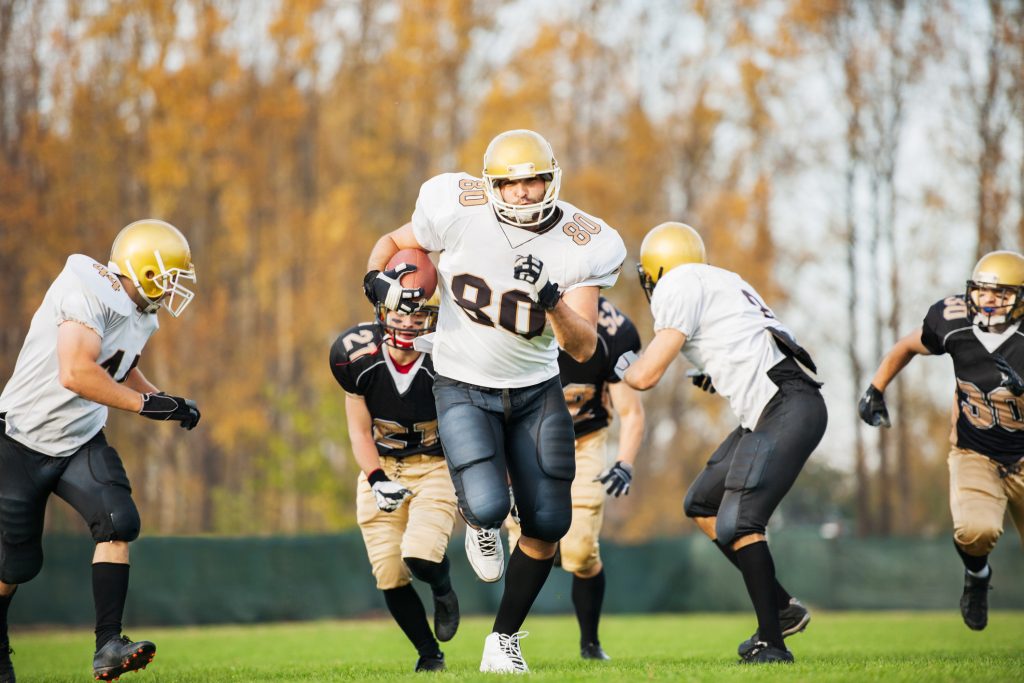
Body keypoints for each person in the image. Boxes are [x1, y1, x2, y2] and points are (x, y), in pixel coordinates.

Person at [363, 129, 626, 673]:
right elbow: (391, 244)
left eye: (534, 180)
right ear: (492, 186)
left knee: (549, 524)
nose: (524, 192)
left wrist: (551, 298)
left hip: (535, 389)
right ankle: (482, 523)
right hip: (462, 380)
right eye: (511, 183)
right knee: (485, 506)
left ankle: (503, 639)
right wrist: (375, 281)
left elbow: (583, 347)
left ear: (551, 178)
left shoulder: (584, 239)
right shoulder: (458, 206)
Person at [0, 219, 200, 682]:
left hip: (80, 439)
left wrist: (166, 402)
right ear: (146, 270)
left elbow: (118, 367)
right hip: (20, 440)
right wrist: (145, 406)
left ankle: (109, 645)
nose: (175, 289)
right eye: (171, 277)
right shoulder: (87, 289)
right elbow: (76, 371)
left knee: (118, 522)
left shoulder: (139, 312)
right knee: (15, 565)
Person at [617, 222, 825, 664]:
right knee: (703, 504)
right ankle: (782, 608)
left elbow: (646, 375)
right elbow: (744, 337)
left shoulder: (677, 283)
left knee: (741, 522)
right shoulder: (722, 279)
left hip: (784, 405)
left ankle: (773, 642)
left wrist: (620, 368)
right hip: (784, 402)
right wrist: (715, 370)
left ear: (654, 270)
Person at [859, 250, 1024, 632]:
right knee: (974, 531)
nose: (989, 301)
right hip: (975, 452)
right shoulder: (953, 322)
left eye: (1001, 294)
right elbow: (906, 346)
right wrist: (875, 389)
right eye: (983, 291)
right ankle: (977, 576)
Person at [504, 296, 644, 661]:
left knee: (581, 551)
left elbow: (631, 410)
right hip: (526, 440)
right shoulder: (512, 312)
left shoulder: (614, 331)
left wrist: (625, 461)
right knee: (523, 546)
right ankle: (503, 643)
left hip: (584, 442)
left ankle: (590, 643)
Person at [329, 286, 460, 673]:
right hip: (383, 464)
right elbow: (358, 430)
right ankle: (429, 654)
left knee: (419, 554)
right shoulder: (358, 358)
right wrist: (375, 478)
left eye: (418, 317)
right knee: (388, 571)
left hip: (435, 466)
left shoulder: (448, 359)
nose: (408, 324)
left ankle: (442, 586)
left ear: (434, 319)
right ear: (382, 312)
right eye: (400, 315)